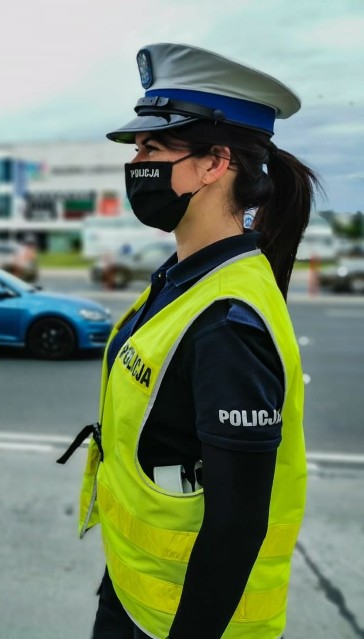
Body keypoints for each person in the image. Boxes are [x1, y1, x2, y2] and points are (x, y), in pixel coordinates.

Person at [58, 43, 319, 638]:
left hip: (180, 623)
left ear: (213, 164)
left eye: (153, 147)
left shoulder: (228, 318)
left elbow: (237, 524)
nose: (136, 162)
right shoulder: (184, 277)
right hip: (135, 594)